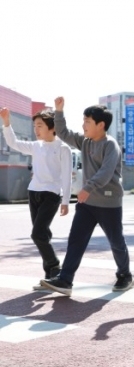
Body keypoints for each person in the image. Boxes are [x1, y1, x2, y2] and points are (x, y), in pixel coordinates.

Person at [40, 98, 134, 296]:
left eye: (87, 122)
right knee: (76, 240)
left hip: (109, 203)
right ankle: (65, 280)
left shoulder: (111, 145)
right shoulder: (85, 142)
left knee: (116, 242)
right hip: (87, 203)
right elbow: (64, 133)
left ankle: (124, 275)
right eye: (83, 121)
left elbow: (107, 172)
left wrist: (88, 187)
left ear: (101, 125)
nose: (83, 125)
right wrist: (59, 111)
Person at [0, 107, 71, 289]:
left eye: (39, 126)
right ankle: (49, 277)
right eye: (34, 126)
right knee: (43, 234)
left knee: (37, 234)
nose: (36, 129)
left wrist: (65, 201)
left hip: (51, 195)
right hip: (34, 193)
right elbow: (13, 143)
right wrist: (7, 122)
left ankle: (54, 266)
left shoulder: (63, 148)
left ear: (52, 127)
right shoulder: (35, 146)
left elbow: (66, 176)